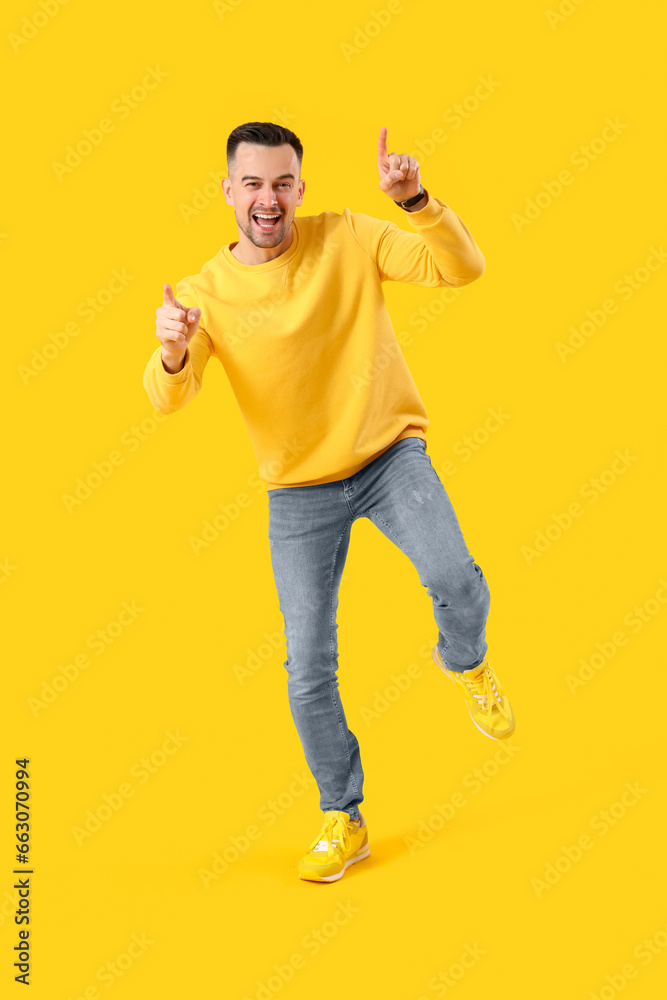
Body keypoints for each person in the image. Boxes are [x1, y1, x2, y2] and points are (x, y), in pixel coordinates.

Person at [143, 121, 515, 883]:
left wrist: (414, 200)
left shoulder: (347, 234)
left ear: (300, 188)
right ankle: (341, 815)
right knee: (307, 665)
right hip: (297, 491)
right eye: (252, 184)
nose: (268, 199)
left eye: (282, 182)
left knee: (455, 579)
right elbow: (166, 398)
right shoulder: (204, 294)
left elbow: (462, 268)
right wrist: (173, 349)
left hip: (387, 454)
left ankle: (465, 662)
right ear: (228, 193)